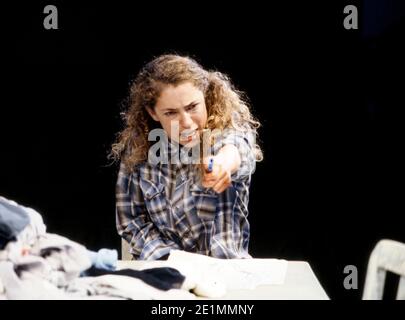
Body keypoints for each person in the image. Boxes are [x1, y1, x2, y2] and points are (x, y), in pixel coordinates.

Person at [110, 54, 262, 260]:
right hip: (164, 272)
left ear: (205, 97)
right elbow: (131, 220)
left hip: (226, 274)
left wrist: (222, 165)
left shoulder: (226, 133)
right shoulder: (138, 150)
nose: (187, 122)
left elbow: (237, 147)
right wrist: (171, 261)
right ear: (153, 113)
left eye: (192, 107)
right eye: (171, 113)